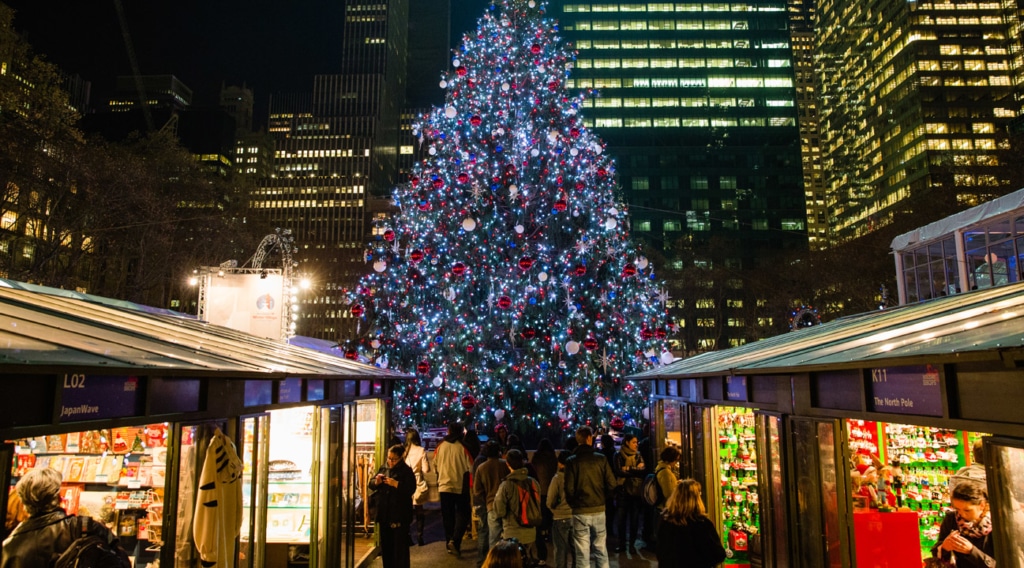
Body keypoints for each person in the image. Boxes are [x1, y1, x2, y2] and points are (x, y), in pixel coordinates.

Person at [2, 468, 121, 568]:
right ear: (57, 495)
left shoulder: (8, 547)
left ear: (23, 501)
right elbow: (122, 559)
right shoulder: (86, 526)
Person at [564, 425, 617, 568]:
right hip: (599, 508)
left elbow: (568, 488)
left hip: (580, 510)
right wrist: (604, 497)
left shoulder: (571, 461)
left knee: (582, 552)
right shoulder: (601, 459)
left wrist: (574, 503)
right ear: (589, 438)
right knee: (601, 549)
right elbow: (612, 483)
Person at [656, 479, 726, 568]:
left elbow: (661, 551)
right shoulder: (702, 524)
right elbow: (717, 555)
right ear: (696, 498)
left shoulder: (666, 520)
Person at [368, 444, 416, 568]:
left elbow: (411, 489)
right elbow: (371, 483)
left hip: (399, 517)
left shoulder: (406, 471)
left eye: (393, 459)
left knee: (400, 552)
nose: (390, 461)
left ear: (400, 458)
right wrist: (376, 481)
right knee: (387, 550)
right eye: (388, 458)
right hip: (384, 515)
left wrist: (396, 484)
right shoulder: (383, 468)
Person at [932, 480, 996, 568]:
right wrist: (944, 547)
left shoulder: (996, 523)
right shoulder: (951, 519)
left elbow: (1002, 563)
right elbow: (936, 552)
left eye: (967, 510)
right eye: (957, 509)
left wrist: (971, 551)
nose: (961, 514)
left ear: (982, 505)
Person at [493, 450, 541, 565]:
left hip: (511, 533)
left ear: (508, 464)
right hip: (530, 533)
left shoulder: (506, 485)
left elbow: (499, 511)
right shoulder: (534, 483)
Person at [435, 422, 473, 557]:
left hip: (444, 485)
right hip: (459, 486)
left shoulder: (440, 446)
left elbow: (435, 464)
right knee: (463, 513)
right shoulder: (463, 447)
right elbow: (471, 467)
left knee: (447, 515)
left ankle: (449, 542)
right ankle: (455, 541)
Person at [473, 441, 509, 567]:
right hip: (506, 505)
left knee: (493, 538)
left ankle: (494, 564)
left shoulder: (481, 467)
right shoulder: (505, 465)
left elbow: (477, 490)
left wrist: (486, 499)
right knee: (508, 537)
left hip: (490, 506)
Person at [613, 434, 646, 554]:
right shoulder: (618, 455)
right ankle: (621, 544)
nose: (636, 444)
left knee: (634, 520)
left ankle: (631, 545)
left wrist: (628, 468)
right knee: (621, 520)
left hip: (635, 492)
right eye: (633, 442)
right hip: (623, 491)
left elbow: (643, 471)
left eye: (636, 442)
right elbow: (618, 472)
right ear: (627, 442)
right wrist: (634, 470)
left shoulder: (638, 455)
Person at [531, 439, 559, 562]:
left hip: (540, 488)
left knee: (541, 511)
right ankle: (549, 533)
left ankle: (542, 532)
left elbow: (533, 471)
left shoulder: (537, 457)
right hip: (550, 487)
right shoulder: (553, 458)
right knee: (550, 511)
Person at [403, 429, 431, 546]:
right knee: (419, 510)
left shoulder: (404, 451)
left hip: (405, 482)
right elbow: (426, 469)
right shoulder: (421, 450)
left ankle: (407, 536)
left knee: (406, 511)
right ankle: (420, 536)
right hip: (417, 482)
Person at [546, 451, 574, 568]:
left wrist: (555, 510)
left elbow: (549, 501)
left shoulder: (557, 478)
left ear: (560, 464)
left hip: (560, 518)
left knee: (560, 551)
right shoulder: (577, 476)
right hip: (576, 517)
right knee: (576, 550)